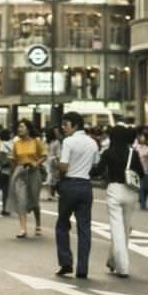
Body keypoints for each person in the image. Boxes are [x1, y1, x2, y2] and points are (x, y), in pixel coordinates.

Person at [54, 111, 99, 278]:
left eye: (66, 125)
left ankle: (66, 262)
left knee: (62, 225)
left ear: (75, 125)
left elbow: (64, 167)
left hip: (69, 184)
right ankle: (83, 268)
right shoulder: (93, 142)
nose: (63, 128)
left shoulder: (68, 142)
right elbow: (95, 164)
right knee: (84, 228)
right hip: (86, 186)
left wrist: (57, 166)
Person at [102, 122, 141, 278]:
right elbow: (142, 173)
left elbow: (97, 170)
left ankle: (123, 267)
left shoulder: (107, 152)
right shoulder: (133, 153)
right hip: (131, 192)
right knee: (125, 230)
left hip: (115, 190)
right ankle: (113, 261)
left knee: (117, 230)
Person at [9, 118, 46, 238]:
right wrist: (12, 165)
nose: (19, 129)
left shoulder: (36, 141)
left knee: (34, 201)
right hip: (20, 172)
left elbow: (44, 155)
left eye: (22, 127)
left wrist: (37, 163)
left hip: (34, 172)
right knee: (21, 200)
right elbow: (13, 159)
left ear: (28, 129)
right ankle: (23, 229)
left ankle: (38, 224)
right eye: (19, 127)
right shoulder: (16, 143)